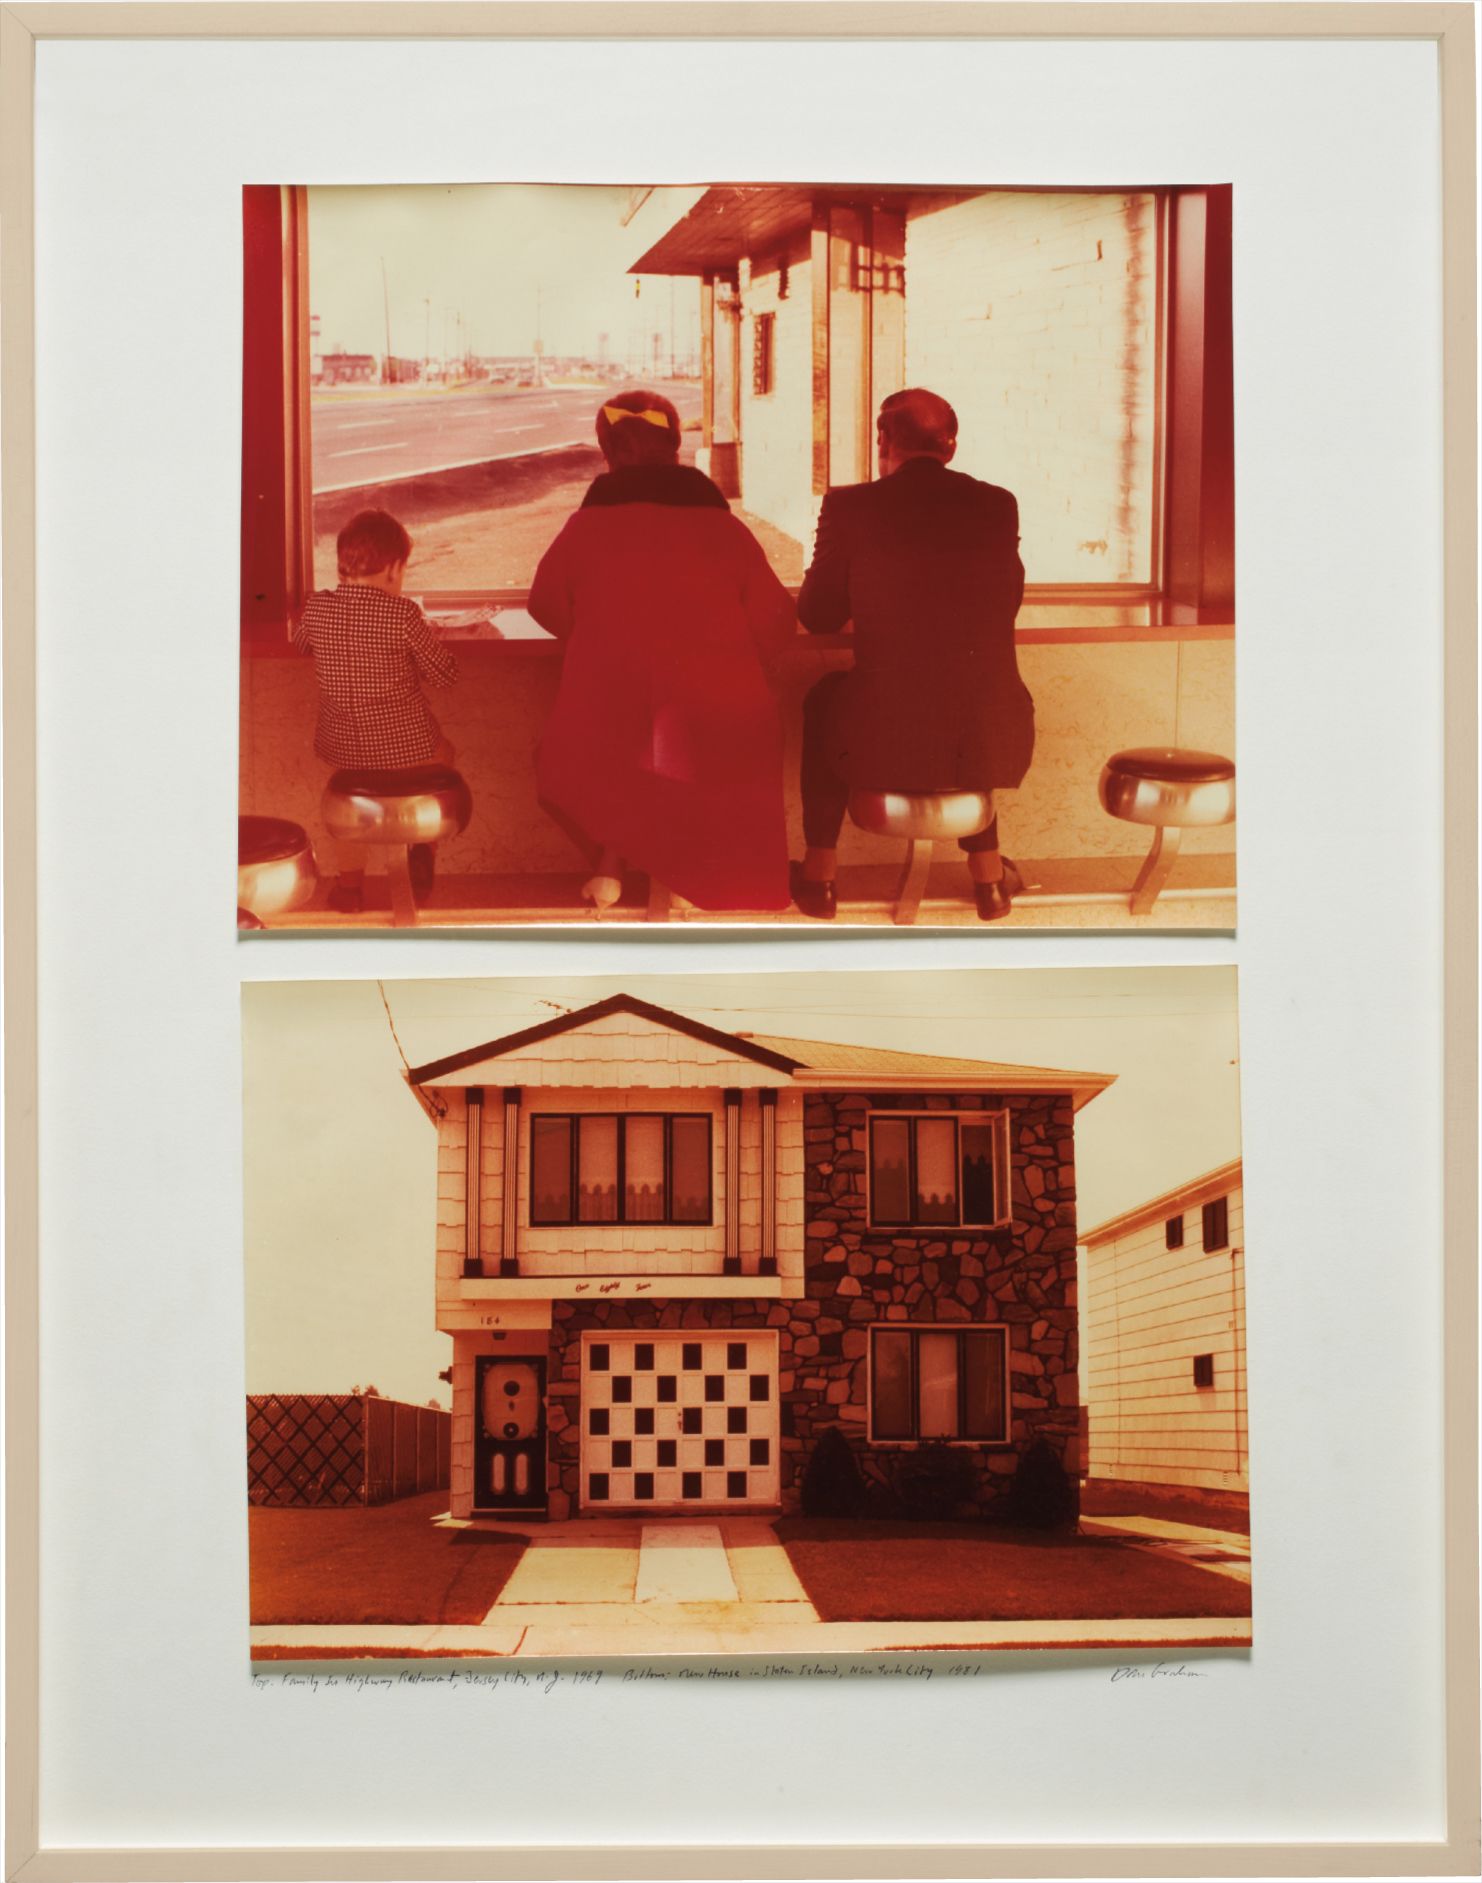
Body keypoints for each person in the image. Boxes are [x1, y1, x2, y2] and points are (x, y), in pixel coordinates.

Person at [528, 388, 796, 914]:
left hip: (613, 718)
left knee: (608, 750)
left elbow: (545, 608)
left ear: (607, 454)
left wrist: (605, 640)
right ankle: (675, 873)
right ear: (676, 449)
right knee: (668, 751)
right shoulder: (723, 527)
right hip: (718, 728)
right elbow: (777, 626)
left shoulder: (584, 528)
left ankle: (612, 868)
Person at [793, 387, 1033, 921]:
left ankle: (819, 875)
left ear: (884, 441)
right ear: (950, 447)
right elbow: (1006, 601)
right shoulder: (998, 504)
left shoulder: (850, 506)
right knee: (964, 688)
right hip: (995, 732)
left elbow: (818, 615)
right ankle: (989, 880)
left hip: (884, 736)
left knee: (827, 696)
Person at [293, 508, 458, 911]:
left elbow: (301, 644)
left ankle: (349, 887)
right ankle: (421, 846)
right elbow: (445, 675)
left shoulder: (317, 608)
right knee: (445, 756)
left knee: (351, 807)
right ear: (393, 569)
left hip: (343, 749)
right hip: (408, 748)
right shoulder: (403, 614)